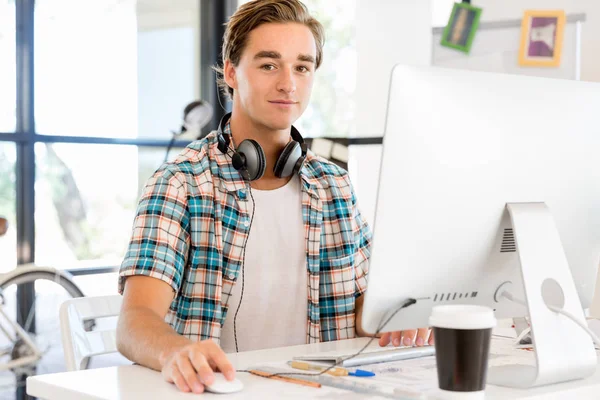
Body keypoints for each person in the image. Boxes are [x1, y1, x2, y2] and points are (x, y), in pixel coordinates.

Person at [116, 0, 433, 394]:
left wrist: (400, 316)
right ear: (232, 72)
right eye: (269, 64)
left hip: (319, 388)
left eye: (302, 66)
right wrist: (175, 352)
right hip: (219, 390)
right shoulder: (181, 183)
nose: (289, 83)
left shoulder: (334, 185)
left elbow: (362, 316)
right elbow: (134, 322)